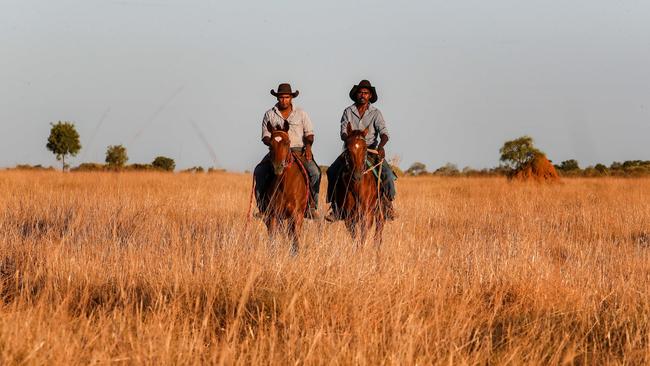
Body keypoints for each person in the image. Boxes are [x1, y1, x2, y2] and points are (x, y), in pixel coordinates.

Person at [325, 79, 396, 221]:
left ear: (370, 96)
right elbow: (343, 131)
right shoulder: (348, 111)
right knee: (332, 171)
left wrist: (381, 146)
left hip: (370, 150)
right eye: (360, 92)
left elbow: (384, 133)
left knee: (388, 174)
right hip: (351, 149)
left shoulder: (376, 113)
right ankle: (335, 207)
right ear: (356, 95)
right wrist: (350, 139)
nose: (362, 95)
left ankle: (388, 205)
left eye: (366, 93)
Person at [254, 83, 321, 219]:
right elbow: (265, 135)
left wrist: (308, 148)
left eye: (286, 97)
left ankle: (311, 206)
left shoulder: (301, 113)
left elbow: (309, 134)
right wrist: (273, 142)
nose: (284, 100)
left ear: (291, 98)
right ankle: (263, 207)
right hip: (276, 150)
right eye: (281, 97)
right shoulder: (269, 114)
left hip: (298, 149)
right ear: (277, 98)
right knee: (259, 171)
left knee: (315, 172)